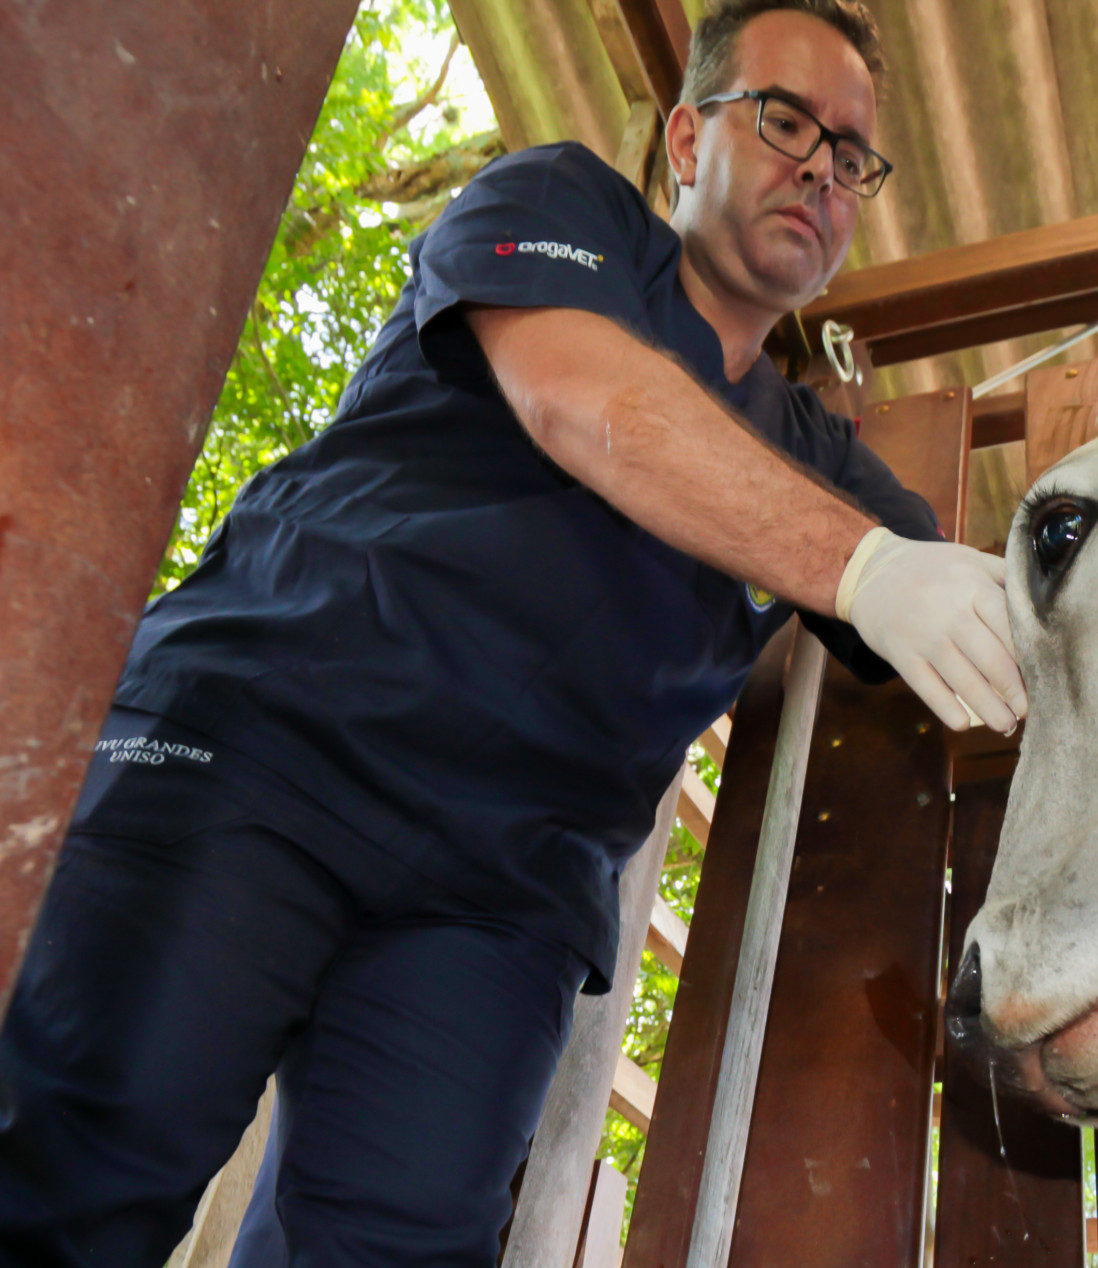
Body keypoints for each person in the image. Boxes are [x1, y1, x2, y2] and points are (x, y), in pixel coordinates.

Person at [0, 1, 1024, 1263]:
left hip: (496, 897)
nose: (821, 164)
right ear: (690, 139)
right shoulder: (563, 205)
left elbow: (1019, 610)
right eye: (786, 118)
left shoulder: (826, 464)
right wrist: (862, 569)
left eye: (852, 153)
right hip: (268, 733)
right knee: (77, 1156)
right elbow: (582, 395)